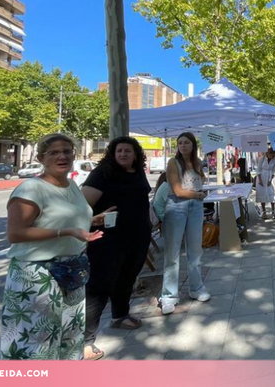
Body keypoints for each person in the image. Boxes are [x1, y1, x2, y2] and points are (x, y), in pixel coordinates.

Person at [2, 133, 111, 360]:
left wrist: (92, 219)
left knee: (70, 337)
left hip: (72, 270)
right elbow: (15, 233)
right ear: (42, 158)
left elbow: (63, 218)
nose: (62, 156)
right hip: (36, 275)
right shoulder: (31, 189)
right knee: (35, 343)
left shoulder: (71, 185)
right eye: (54, 152)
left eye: (67, 151)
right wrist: (67, 231)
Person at [81, 137, 152, 360]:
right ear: (112, 153)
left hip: (137, 236)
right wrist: (93, 220)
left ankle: (119, 316)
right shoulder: (102, 173)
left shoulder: (138, 171)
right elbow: (81, 207)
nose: (123, 154)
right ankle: (85, 340)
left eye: (127, 151)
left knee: (126, 279)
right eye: (119, 151)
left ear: (135, 154)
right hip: (108, 240)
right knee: (100, 287)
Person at [160, 132, 210, 316]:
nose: (182, 145)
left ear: (193, 144)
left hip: (196, 206)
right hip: (177, 206)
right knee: (172, 252)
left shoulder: (197, 161)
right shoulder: (173, 163)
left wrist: (199, 194)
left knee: (195, 250)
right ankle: (168, 295)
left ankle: (196, 287)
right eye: (180, 143)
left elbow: (200, 181)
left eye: (186, 142)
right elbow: (178, 191)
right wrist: (197, 194)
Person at [256, 148, 275, 219]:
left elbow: (273, 171)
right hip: (262, 177)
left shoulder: (274, 160)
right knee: (262, 194)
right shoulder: (262, 159)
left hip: (269, 177)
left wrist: (270, 180)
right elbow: (258, 170)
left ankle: (273, 212)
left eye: (272, 154)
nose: (271, 155)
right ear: (267, 153)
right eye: (270, 154)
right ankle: (264, 212)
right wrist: (260, 180)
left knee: (272, 194)